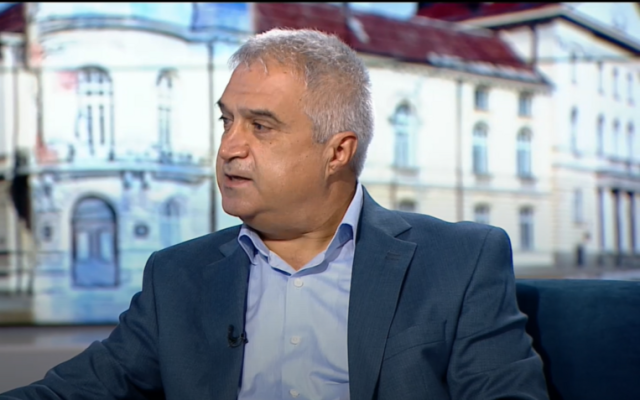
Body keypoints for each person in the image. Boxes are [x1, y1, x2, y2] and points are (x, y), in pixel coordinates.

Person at [1, 28, 549, 400]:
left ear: (337, 151)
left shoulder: (458, 262)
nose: (229, 148)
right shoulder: (177, 277)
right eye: (227, 121)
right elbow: (74, 390)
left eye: (260, 126)